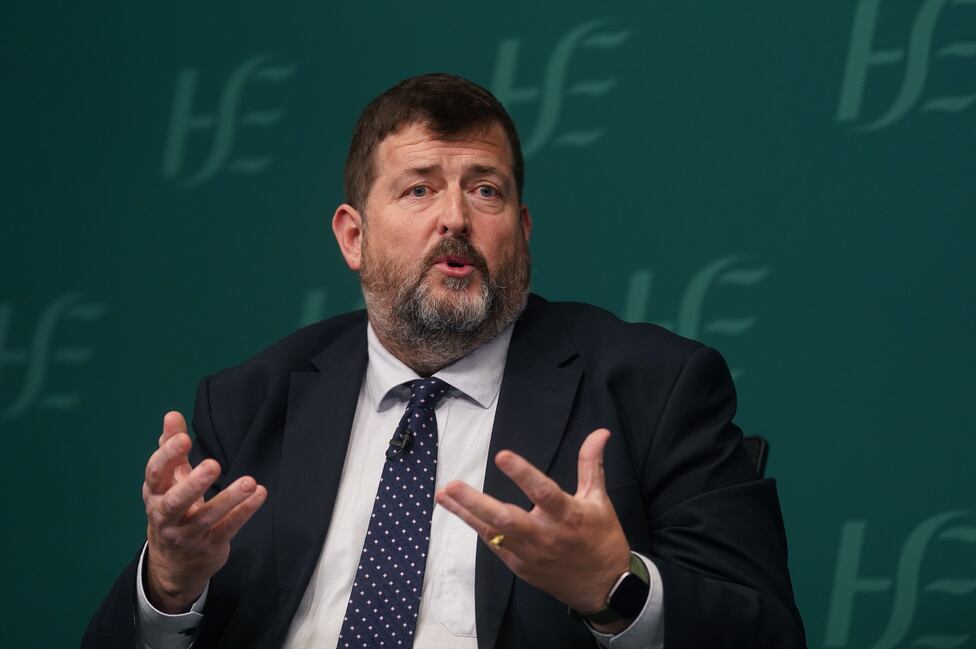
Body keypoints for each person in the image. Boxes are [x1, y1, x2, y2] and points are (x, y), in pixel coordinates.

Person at [84, 73, 806, 649]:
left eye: (485, 190)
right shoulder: (249, 400)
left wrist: (615, 588)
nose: (455, 216)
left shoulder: (655, 386)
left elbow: (767, 630)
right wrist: (170, 584)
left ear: (521, 232)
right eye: (419, 187)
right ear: (353, 237)